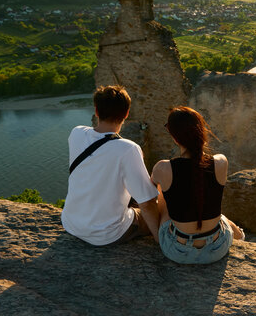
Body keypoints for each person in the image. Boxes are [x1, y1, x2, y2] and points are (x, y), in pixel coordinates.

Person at [61, 85, 159, 246]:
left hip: (71, 224)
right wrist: (159, 240)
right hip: (106, 234)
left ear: (97, 111)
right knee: (158, 204)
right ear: (126, 114)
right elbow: (147, 204)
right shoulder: (128, 149)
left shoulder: (76, 133)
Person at [151, 106, 244, 264]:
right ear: (202, 132)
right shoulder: (221, 161)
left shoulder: (163, 167)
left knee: (163, 195)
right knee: (212, 210)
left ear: (174, 137)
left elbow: (151, 193)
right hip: (217, 248)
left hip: (177, 251)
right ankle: (240, 236)